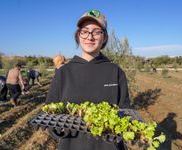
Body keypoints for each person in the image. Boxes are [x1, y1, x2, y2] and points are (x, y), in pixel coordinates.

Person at [46, 9, 130, 150]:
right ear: (78, 35)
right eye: (85, 31)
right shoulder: (64, 73)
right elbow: (49, 112)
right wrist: (54, 127)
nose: (90, 37)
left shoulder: (115, 71)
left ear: (104, 37)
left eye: (97, 32)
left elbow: (126, 110)